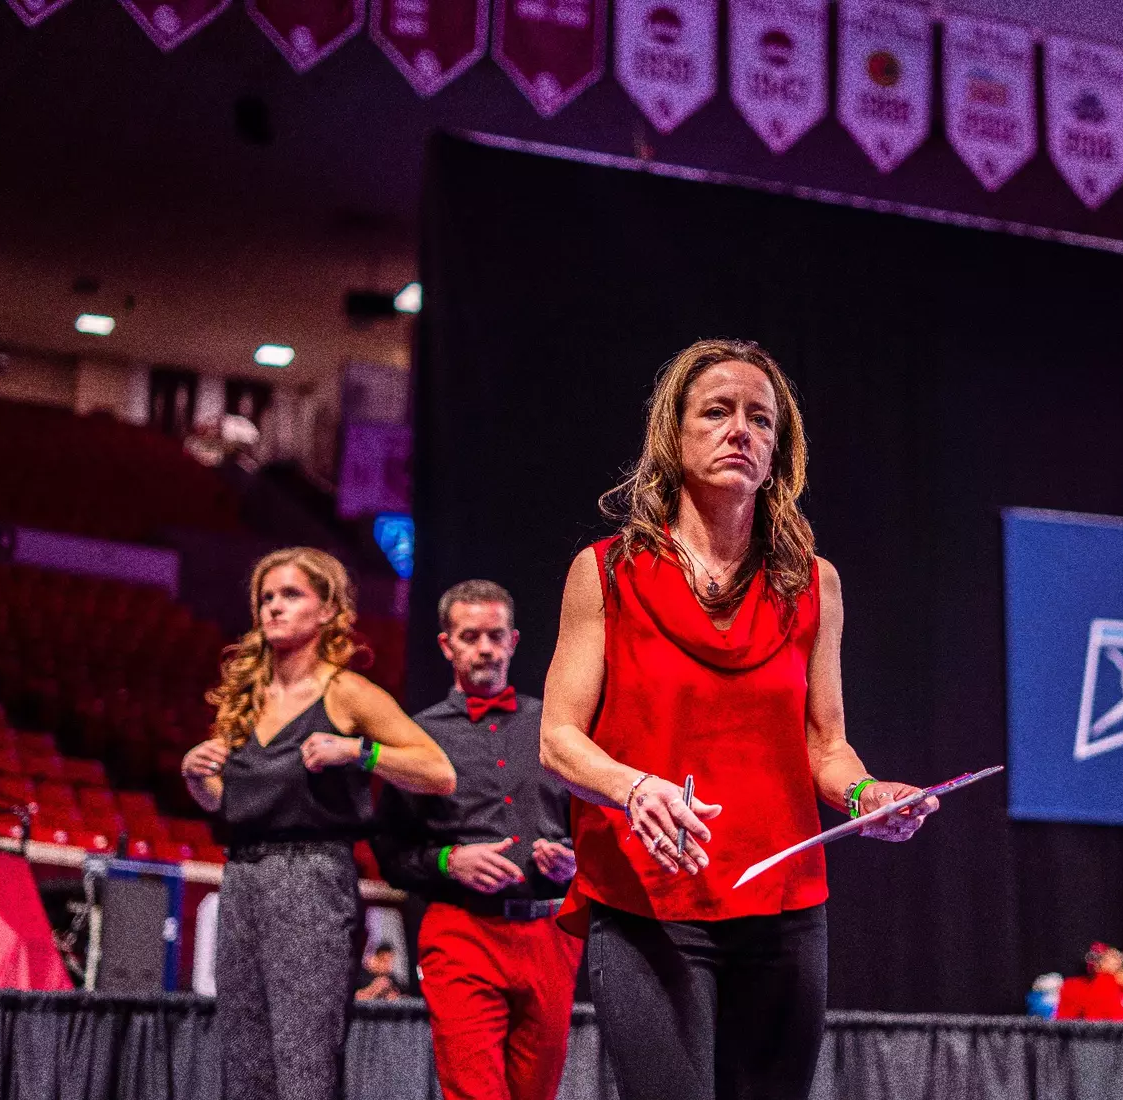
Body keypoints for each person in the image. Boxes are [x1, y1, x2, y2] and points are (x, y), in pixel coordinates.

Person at [538, 339, 942, 1100]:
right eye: (717, 412)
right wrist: (633, 788)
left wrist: (866, 798)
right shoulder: (605, 573)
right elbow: (558, 741)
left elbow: (827, 744)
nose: (740, 431)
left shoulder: (814, 583)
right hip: (648, 903)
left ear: (778, 450)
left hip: (785, 907)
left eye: (761, 419)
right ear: (674, 433)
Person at [180, 547, 455, 1100]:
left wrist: (360, 752)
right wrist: (196, 778)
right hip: (243, 878)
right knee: (245, 1060)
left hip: (312, 877)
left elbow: (438, 771)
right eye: (266, 597)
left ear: (327, 610)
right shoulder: (246, 697)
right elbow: (228, 806)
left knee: (303, 1061)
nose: (274, 608)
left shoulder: (345, 691)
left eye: (291, 595)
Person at [372, 580, 582, 1100]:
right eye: (470, 636)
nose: (484, 648)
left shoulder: (555, 729)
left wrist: (572, 862)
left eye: (494, 636)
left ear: (513, 640)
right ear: (447, 645)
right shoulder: (416, 738)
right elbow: (390, 853)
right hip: (461, 931)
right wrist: (448, 859)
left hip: (550, 933)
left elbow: (594, 828)